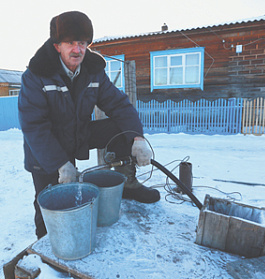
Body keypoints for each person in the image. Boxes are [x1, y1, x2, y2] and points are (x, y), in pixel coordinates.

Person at [18, 11, 160, 239]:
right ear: (57, 46)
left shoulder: (93, 72)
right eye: (70, 43)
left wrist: (138, 138)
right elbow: (34, 127)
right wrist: (60, 163)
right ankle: (44, 245)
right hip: (44, 150)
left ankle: (128, 184)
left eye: (82, 43)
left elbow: (120, 106)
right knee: (48, 199)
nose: (77, 49)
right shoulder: (36, 76)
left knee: (121, 126)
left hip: (78, 135)